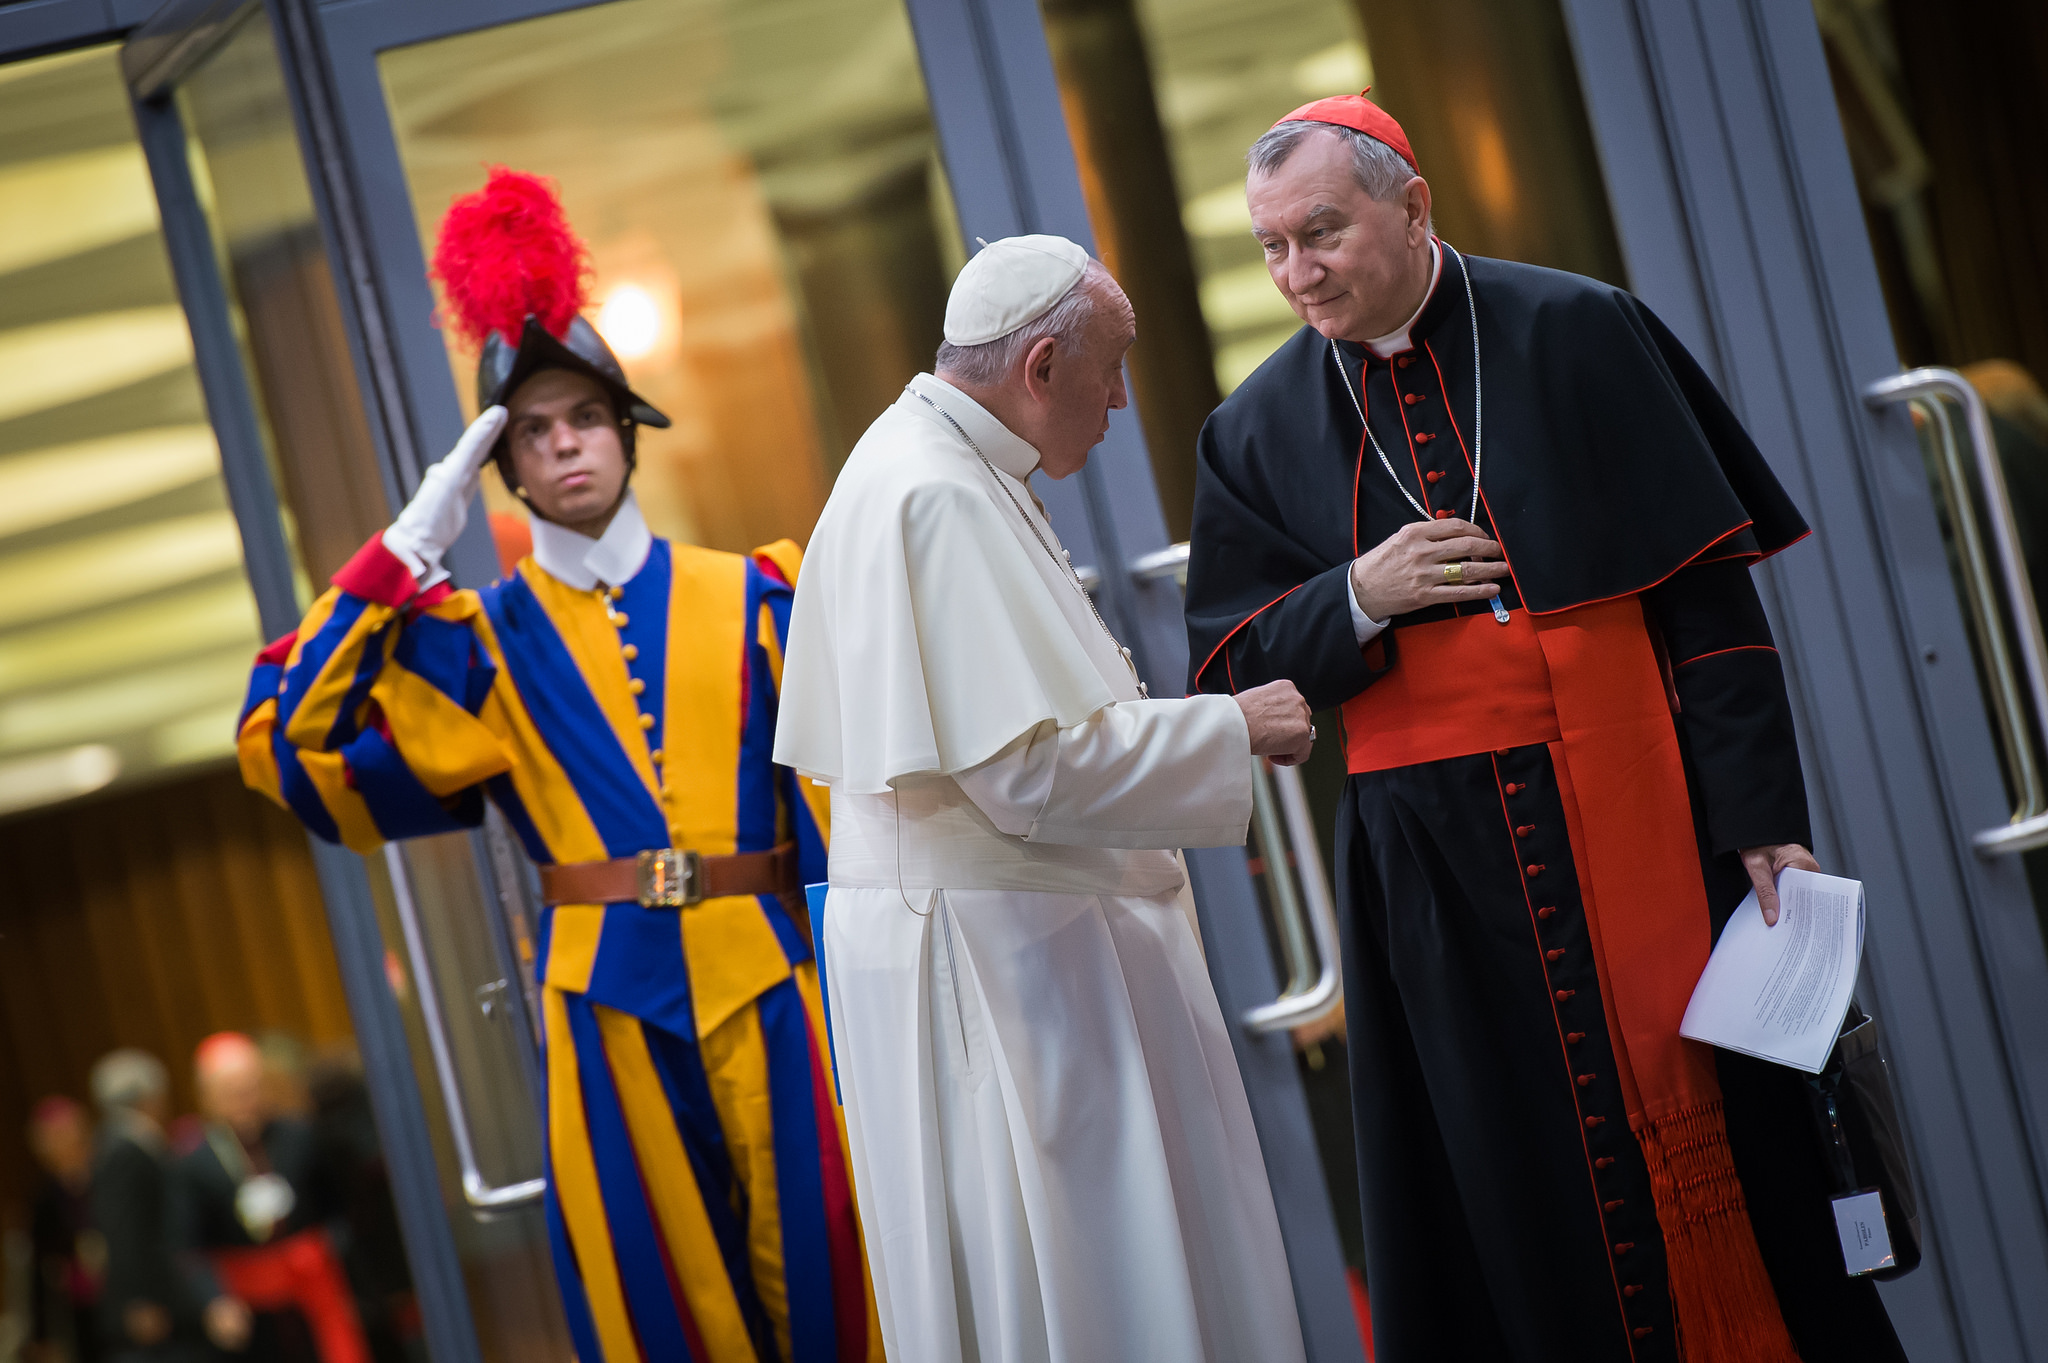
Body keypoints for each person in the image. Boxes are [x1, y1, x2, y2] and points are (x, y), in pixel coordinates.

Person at [1183, 95, 1907, 1361]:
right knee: (1507, 1181)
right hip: (1437, 873)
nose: (1296, 273)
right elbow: (1233, 665)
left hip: (1645, 808)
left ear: (1411, 206)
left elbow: (1706, 602)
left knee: (1735, 1140)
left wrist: (1760, 818)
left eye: (1321, 233)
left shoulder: (1578, 329)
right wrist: (1360, 593)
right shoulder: (1249, 429)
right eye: (1270, 247)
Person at [237, 166, 875, 1363]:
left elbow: (855, 819)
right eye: (529, 431)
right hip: (604, 1006)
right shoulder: (475, 645)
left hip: (771, 983)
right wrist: (401, 549)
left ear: (626, 431)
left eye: (583, 415)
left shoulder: (757, 594)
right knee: (658, 1308)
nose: (563, 442)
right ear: (504, 467)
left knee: (836, 1276)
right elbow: (283, 743)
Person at [775, 234, 1315, 1363]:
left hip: (997, 930)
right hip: (998, 957)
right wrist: (1230, 728)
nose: (1118, 401)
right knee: (1075, 1287)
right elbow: (1022, 770)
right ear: (1040, 366)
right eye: (1109, 370)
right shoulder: (935, 493)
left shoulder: (925, 458)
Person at [173, 1032, 366, 1363]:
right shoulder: (193, 1165)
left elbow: (339, 1210)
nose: (245, 1101)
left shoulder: (300, 1136)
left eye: (250, 1089)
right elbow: (187, 1247)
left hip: (316, 1292)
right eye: (232, 1093)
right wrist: (215, 1301)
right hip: (250, 1310)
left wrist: (336, 1259)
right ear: (208, 1097)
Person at [86, 1052, 209, 1363]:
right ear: (150, 1097)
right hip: (150, 1299)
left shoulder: (122, 1142)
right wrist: (140, 1300)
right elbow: (123, 1231)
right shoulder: (124, 1151)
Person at [25, 1096, 100, 1363]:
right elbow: (39, 1266)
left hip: (120, 1289)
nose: (63, 1143)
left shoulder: (105, 1175)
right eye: (53, 1137)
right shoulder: (45, 1199)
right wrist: (41, 1335)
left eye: (66, 1133)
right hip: (80, 1304)